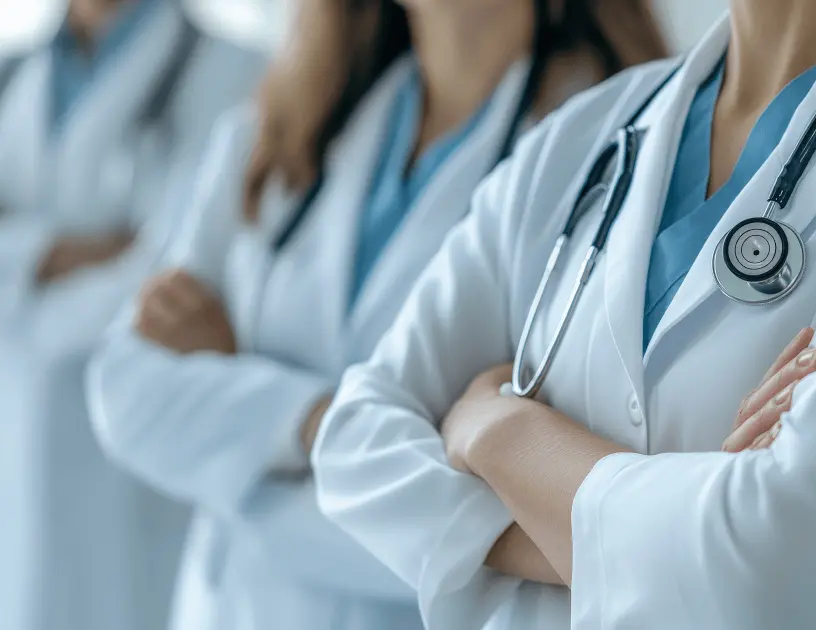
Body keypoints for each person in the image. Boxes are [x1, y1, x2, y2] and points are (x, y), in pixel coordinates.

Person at [311, 0, 816, 628]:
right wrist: (632, 545)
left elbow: (775, 561)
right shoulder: (591, 130)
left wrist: (500, 433)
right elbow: (356, 440)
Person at [85, 0, 667, 629]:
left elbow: (543, 524)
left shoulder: (613, 156)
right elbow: (123, 387)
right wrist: (339, 426)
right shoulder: (276, 129)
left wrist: (233, 447)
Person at [0, 2, 266, 629]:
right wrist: (62, 251)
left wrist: (18, 282)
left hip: (131, 471)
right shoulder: (15, 76)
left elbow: (169, 279)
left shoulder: (234, 73)